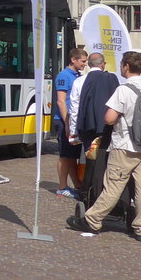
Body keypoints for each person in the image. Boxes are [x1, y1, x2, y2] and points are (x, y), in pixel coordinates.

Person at [66, 50, 141, 241]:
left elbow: (109, 119)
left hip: (125, 145)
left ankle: (92, 220)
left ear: (126, 66)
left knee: (113, 185)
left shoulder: (124, 90)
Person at [54, 47, 87, 198]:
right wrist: (67, 123)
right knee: (65, 155)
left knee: (72, 155)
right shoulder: (64, 75)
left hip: (73, 121)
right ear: (73, 60)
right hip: (64, 121)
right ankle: (62, 186)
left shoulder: (77, 75)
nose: (85, 64)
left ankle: (77, 185)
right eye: (83, 61)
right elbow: (61, 101)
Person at [71, 52, 119, 156]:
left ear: (89, 64)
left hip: (86, 125)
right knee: (104, 158)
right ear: (103, 64)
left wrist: (73, 130)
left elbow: (74, 107)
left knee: (90, 158)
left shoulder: (79, 81)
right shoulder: (110, 78)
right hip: (106, 126)